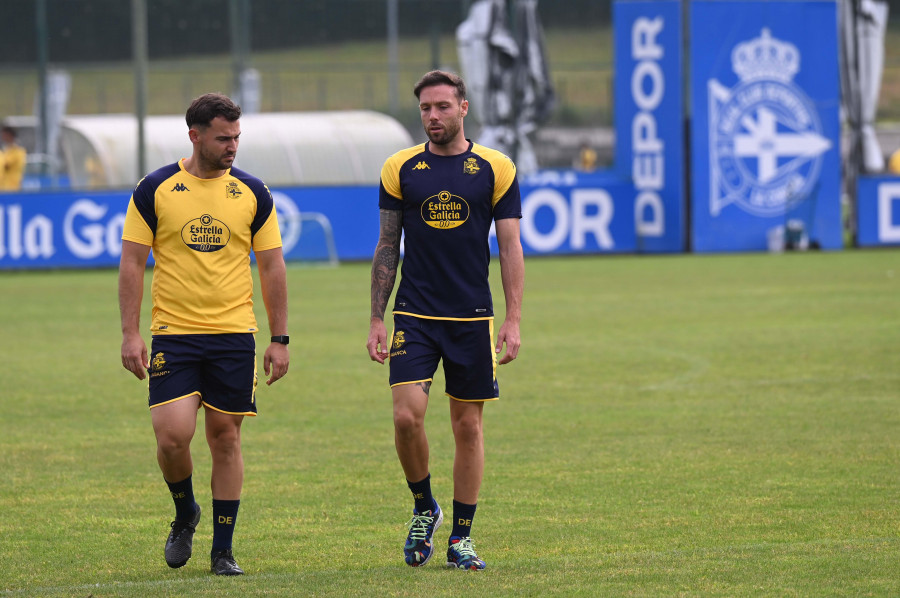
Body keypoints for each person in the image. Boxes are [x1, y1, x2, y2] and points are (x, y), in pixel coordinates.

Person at [118, 93, 290, 576]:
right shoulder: (155, 188)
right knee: (172, 437)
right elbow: (132, 263)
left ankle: (223, 550)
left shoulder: (254, 191)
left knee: (225, 439)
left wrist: (281, 338)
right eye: (222, 138)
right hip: (174, 335)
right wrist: (131, 334)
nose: (232, 146)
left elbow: (273, 266)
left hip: (234, 334)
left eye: (237, 137)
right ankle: (185, 511)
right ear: (194, 135)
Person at [366, 70, 524, 571]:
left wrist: (513, 319)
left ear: (463, 107)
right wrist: (376, 318)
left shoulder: (496, 168)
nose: (432, 116)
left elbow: (511, 247)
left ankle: (460, 538)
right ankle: (423, 507)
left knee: (467, 429)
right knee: (406, 417)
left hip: (472, 318)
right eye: (425, 109)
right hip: (414, 313)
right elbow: (387, 245)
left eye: (441, 107)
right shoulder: (400, 167)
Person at [0, 125, 27, 191]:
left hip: (13, 188)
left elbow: (6, 165)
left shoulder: (17, 151)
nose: (2, 137)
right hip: (3, 187)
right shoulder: (6, 150)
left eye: (4, 134)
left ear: (9, 135)